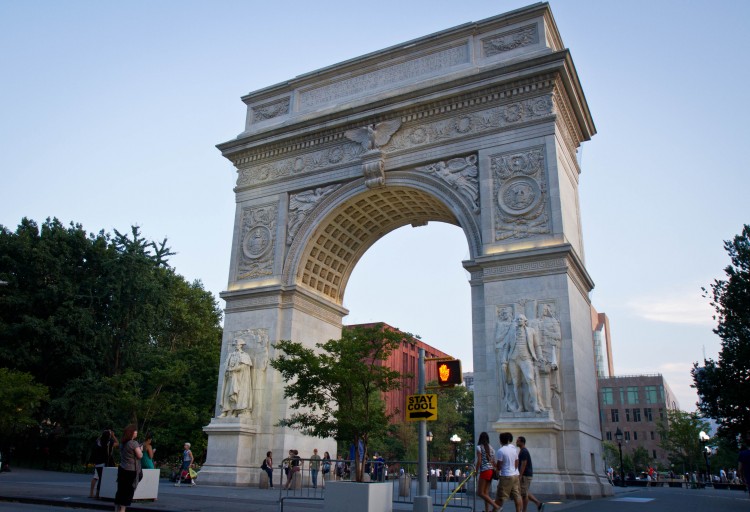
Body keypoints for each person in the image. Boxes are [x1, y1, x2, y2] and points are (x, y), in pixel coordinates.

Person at [220, 337, 254, 417]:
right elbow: (226, 365)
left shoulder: (245, 355)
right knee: (228, 393)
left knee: (239, 394)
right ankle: (227, 411)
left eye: (237, 344)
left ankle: (237, 411)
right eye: (235, 344)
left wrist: (233, 369)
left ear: (241, 345)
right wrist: (228, 370)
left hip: (240, 378)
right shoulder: (231, 355)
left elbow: (243, 366)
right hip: (230, 377)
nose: (236, 346)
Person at [114, 425, 142, 512]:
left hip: (122, 468)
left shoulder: (123, 443)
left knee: (120, 490)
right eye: (135, 431)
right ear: (131, 433)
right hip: (131, 470)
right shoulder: (133, 443)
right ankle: (122, 509)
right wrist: (141, 449)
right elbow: (139, 455)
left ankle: (117, 509)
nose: (137, 432)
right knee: (128, 491)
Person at [495, 432, 522, 512]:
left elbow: (499, 466)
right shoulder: (514, 449)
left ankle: (496, 510)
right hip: (515, 475)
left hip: (506, 476)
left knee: (501, 496)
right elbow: (517, 461)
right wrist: (513, 469)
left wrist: (496, 469)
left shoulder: (501, 451)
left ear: (501, 441)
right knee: (517, 495)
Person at [516, 436, 545, 512]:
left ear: (522, 442)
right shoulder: (522, 450)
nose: (516, 442)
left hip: (525, 475)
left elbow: (524, 463)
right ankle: (538, 504)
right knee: (524, 492)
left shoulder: (524, 451)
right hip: (526, 475)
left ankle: (524, 510)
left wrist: (520, 475)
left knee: (524, 494)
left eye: (518, 441)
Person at [89, 429, 119, 499]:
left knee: (96, 477)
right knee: (102, 479)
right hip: (104, 463)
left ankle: (92, 493)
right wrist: (113, 436)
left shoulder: (98, 442)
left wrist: (103, 434)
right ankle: (97, 494)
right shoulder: (108, 443)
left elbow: (98, 439)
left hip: (97, 463)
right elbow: (117, 443)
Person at [475, 431, 497, 512]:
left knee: (480, 492)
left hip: (485, 471)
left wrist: (476, 471)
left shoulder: (479, 447)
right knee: (486, 493)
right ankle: (487, 510)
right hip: (491, 471)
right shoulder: (492, 448)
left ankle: (496, 506)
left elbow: (479, 461)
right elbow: (494, 462)